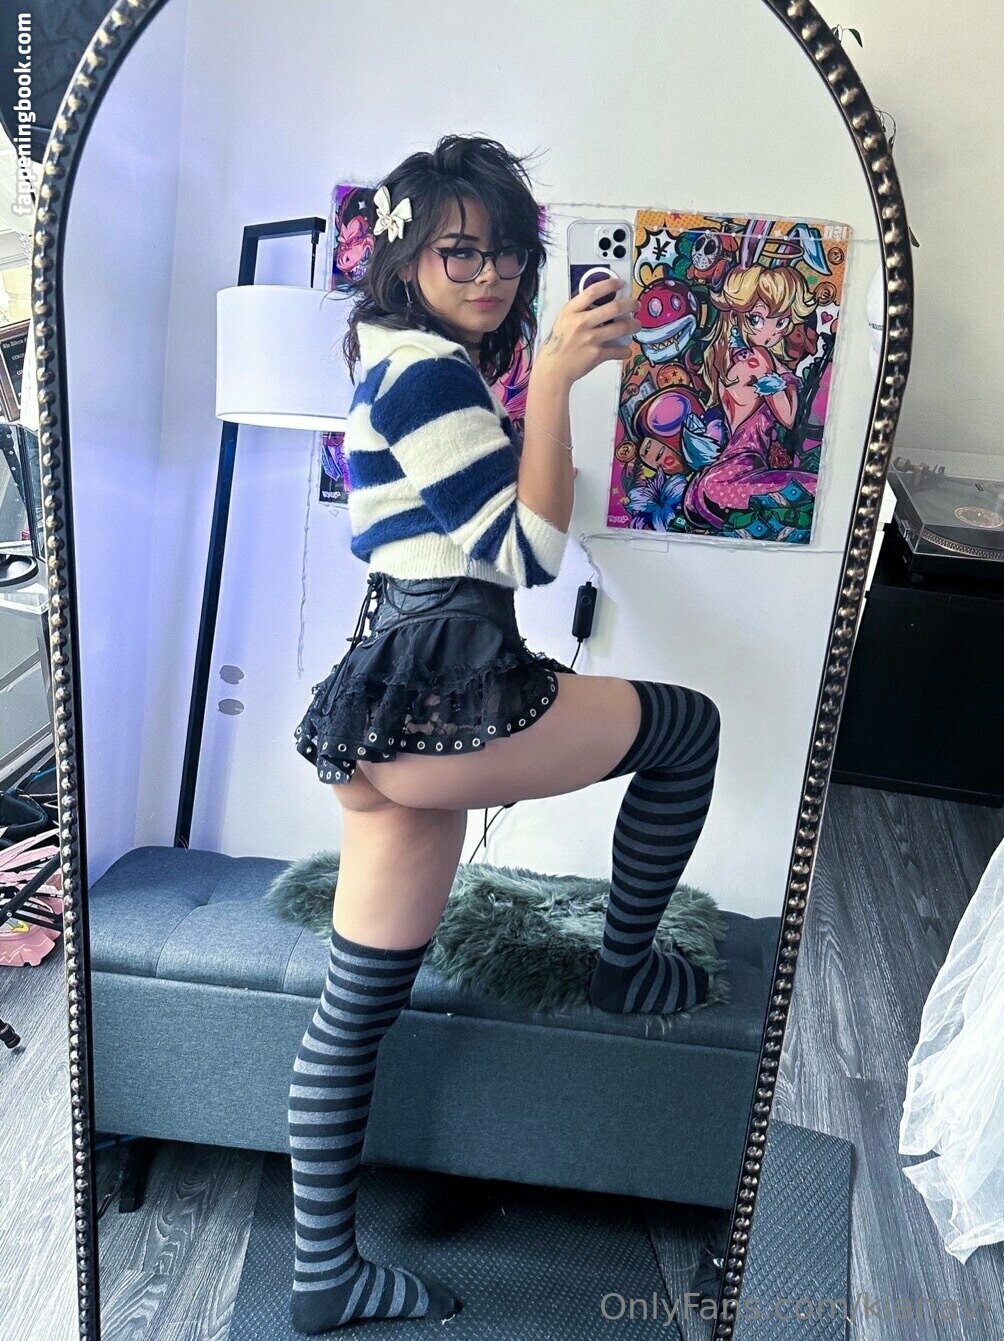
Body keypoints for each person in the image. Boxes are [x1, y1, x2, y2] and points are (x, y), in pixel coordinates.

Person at [287, 134, 722, 1334]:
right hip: (447, 692)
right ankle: (623, 971)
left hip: (390, 703)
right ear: (405, 260)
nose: (488, 275)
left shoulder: (401, 362)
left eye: (505, 254)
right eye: (457, 252)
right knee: (685, 729)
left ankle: (323, 1275)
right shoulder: (429, 373)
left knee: (354, 1007)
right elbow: (527, 554)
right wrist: (560, 385)